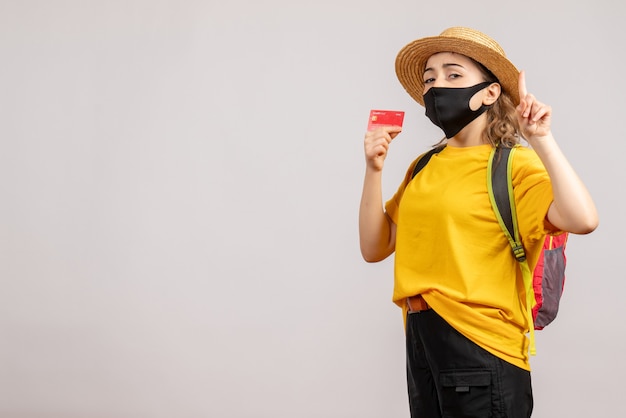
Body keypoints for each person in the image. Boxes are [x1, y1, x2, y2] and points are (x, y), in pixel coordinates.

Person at [358, 27, 598, 418]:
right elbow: (374, 247)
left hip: (482, 344)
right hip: (420, 337)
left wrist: (541, 140)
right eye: (430, 78)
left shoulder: (513, 164)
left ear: (490, 92)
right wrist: (374, 169)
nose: (438, 86)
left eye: (454, 75)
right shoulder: (424, 166)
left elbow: (583, 219)